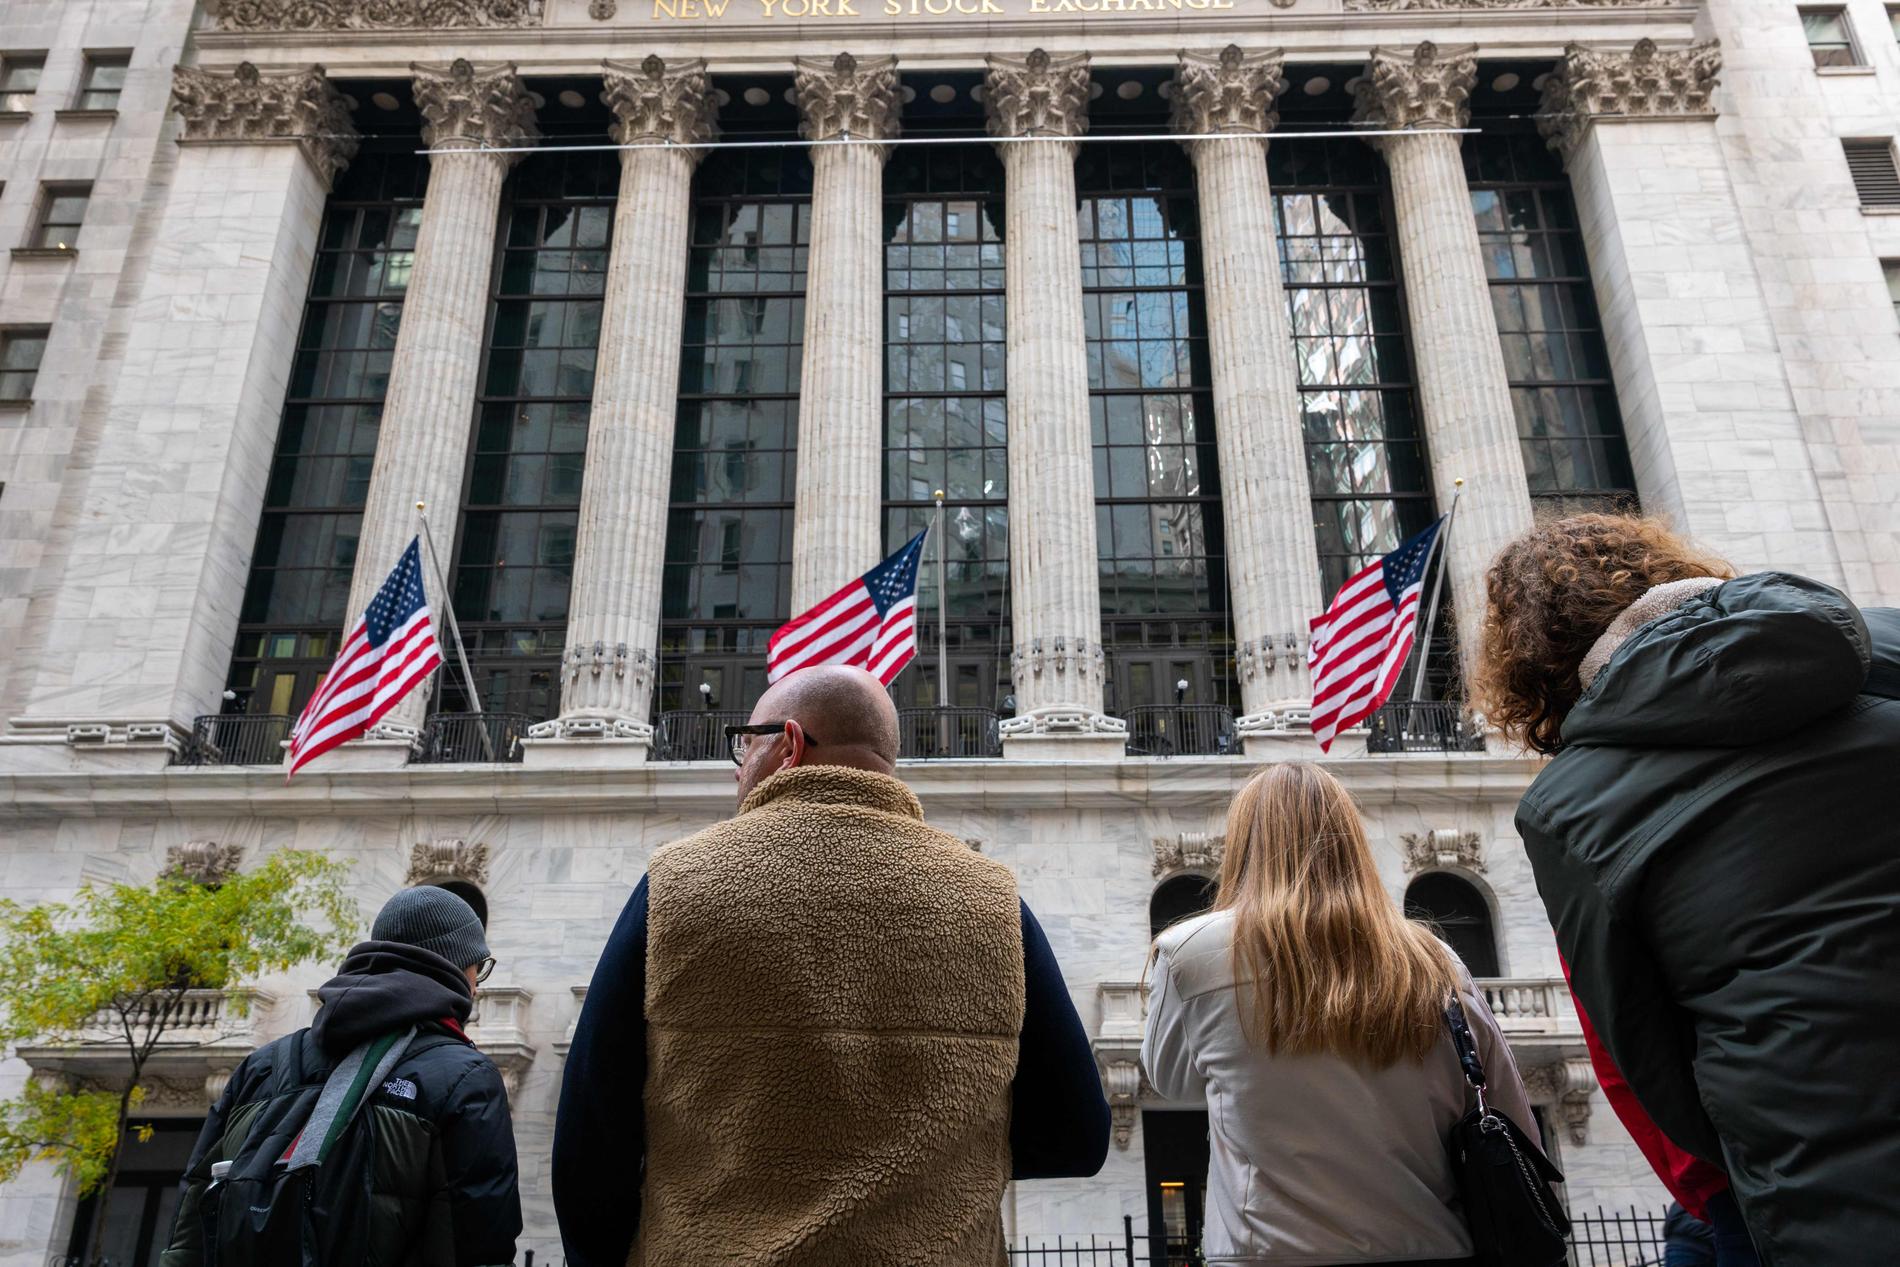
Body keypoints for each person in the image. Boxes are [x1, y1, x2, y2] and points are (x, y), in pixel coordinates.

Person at [553, 665, 1110, 1267]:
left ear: (788, 745)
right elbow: (1078, 1136)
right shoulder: (992, 900)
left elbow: (590, 1142)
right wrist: (943, 1160)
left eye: (746, 745)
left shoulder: (677, 884)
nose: (738, 769)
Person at [1476, 513, 1900, 1266]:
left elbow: (1641, 1055)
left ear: (1533, 662)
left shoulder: (1567, 805)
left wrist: (1748, 1144)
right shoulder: (1882, 640)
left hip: (1826, 1180)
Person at [1141, 762, 1539, 1266]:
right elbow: (1508, 1108)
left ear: (1242, 846)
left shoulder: (1189, 953)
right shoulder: (1434, 960)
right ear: (1353, 841)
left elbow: (1172, 1081)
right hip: (1431, 1245)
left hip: (1270, 1253)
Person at [161, 885, 522, 1267]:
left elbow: (192, 1220)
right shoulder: (466, 1077)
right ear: (457, 965)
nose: (477, 985)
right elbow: (481, 1246)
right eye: (478, 967)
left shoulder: (260, 1066)